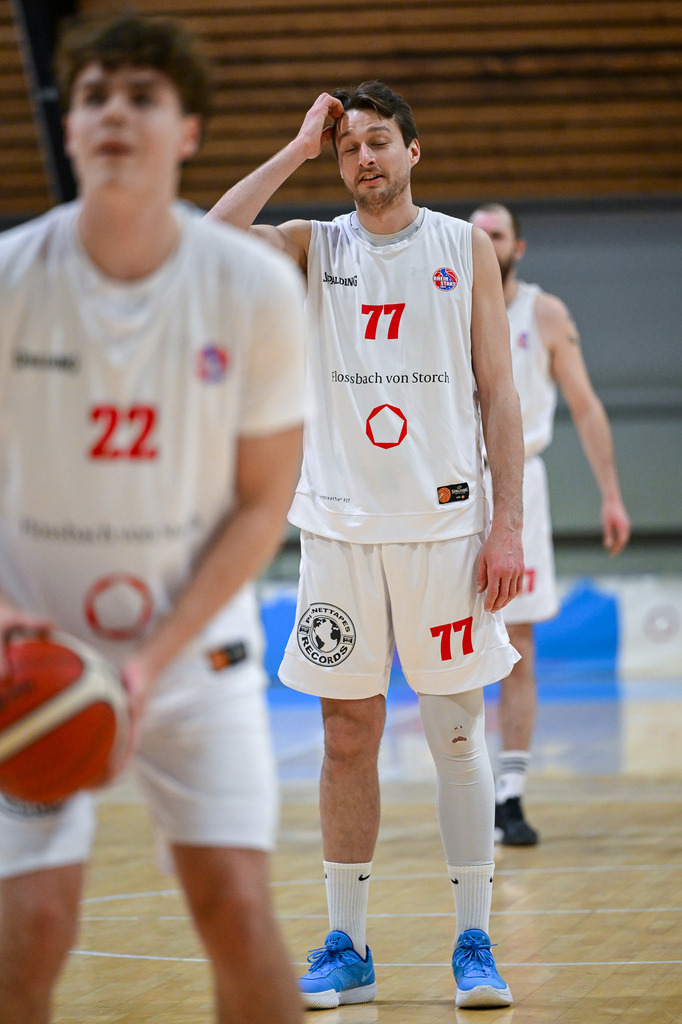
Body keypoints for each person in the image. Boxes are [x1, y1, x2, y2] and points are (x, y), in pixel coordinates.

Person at [0, 12, 307, 1024]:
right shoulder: (10, 281)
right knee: (28, 928)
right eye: (94, 96)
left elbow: (265, 501)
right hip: (32, 649)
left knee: (236, 906)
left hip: (192, 648)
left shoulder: (252, 287)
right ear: (71, 126)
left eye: (143, 96)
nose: (115, 113)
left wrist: (146, 661)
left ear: (188, 132)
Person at [208, 82, 525, 1010]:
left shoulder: (464, 248)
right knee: (346, 735)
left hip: (445, 528)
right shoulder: (315, 244)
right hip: (339, 530)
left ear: (414, 152)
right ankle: (346, 941)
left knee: (455, 729)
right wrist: (298, 145)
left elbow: (499, 395)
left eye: (379, 143)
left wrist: (505, 523)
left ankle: (475, 940)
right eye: (351, 150)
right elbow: (213, 237)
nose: (365, 162)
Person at [469, 202, 631, 846]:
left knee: (517, 646)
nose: (487, 242)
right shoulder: (444, 302)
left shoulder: (544, 313)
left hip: (519, 484)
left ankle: (509, 794)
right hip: (452, 483)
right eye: (477, 234)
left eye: (497, 234)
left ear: (519, 246)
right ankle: (467, 785)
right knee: (446, 645)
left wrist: (612, 494)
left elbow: (587, 408)